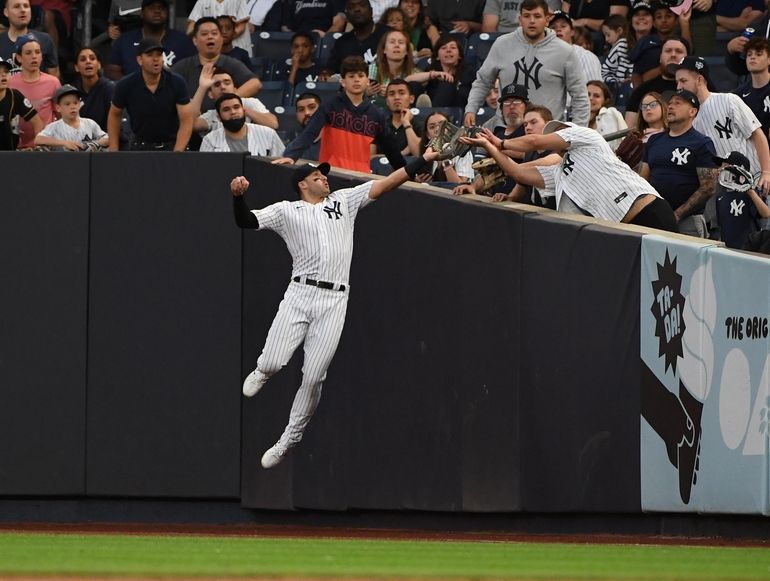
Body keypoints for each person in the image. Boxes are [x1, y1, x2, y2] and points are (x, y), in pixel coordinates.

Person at [233, 149, 440, 468]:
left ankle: (289, 437)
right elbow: (247, 221)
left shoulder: (344, 201)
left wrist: (423, 158)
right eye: (317, 175)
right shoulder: (287, 211)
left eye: (324, 174)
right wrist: (237, 197)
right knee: (274, 362)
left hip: (334, 300)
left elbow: (387, 184)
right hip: (300, 293)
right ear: (302, 183)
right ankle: (263, 371)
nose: (324, 177)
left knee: (314, 376)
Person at [460, 120, 678, 231]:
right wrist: (490, 146)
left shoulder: (587, 137)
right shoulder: (559, 173)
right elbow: (516, 171)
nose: (557, 134)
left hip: (649, 212)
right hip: (625, 229)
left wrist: (501, 143)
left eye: (560, 129)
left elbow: (535, 142)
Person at [464, 0, 589, 129]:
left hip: (546, 134)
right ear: (520, 19)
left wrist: (578, 132)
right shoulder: (502, 45)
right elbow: (483, 81)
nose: (532, 21)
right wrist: (471, 109)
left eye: (537, 16)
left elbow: (580, 95)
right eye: (527, 16)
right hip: (506, 130)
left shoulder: (565, 51)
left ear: (547, 19)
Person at [274, 56, 405, 172]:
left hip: (361, 178)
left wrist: (408, 173)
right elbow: (309, 133)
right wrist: (290, 156)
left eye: (360, 76)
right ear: (343, 81)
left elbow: (391, 149)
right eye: (351, 76)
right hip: (331, 174)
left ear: (368, 81)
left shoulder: (377, 114)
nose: (357, 80)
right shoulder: (330, 106)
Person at [673, 55, 770, 195]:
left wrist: (767, 172)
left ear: (699, 80)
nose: (678, 87)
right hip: (723, 193)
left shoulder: (728, 100)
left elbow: (757, 134)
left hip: (755, 182)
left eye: (683, 81)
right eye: (677, 82)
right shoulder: (689, 119)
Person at [639, 89, 719, 237]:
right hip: (654, 218)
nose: (670, 106)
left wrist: (677, 214)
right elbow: (643, 179)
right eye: (669, 103)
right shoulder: (654, 141)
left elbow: (708, 187)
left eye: (678, 103)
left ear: (692, 112)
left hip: (687, 222)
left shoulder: (702, 143)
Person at [108, 38, 193, 151]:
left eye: (159, 55)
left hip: (171, 146)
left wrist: (177, 152)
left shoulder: (177, 82)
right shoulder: (126, 84)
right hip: (140, 147)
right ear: (139, 60)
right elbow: (114, 114)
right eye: (150, 55)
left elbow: (186, 119)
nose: (155, 59)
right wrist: (113, 149)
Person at [172, 17, 262, 110]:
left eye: (214, 33)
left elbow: (255, 83)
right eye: (204, 34)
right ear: (195, 40)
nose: (210, 37)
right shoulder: (183, 66)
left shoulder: (231, 63)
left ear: (221, 39)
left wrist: (228, 101)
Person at [106, 0, 196, 80]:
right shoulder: (125, 40)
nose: (157, 11)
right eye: (152, 7)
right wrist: (131, 87)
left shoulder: (183, 41)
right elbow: (112, 70)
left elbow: (194, 71)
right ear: (142, 13)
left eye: (161, 8)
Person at [625, 36, 689, 129]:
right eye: (668, 51)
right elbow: (629, 129)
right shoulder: (643, 90)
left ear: (687, 58)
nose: (673, 55)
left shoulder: (697, 86)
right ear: (660, 57)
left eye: (679, 51)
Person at [8, 34, 59, 148]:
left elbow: (61, 115)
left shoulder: (53, 82)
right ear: (19, 58)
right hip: (17, 148)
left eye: (37, 52)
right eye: (28, 53)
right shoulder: (10, 84)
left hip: (45, 147)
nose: (34, 56)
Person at [192, 66, 277, 134]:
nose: (223, 87)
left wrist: (244, 110)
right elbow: (191, 126)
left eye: (227, 82)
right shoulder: (212, 115)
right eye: (217, 84)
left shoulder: (250, 103)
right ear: (210, 94)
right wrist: (202, 87)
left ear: (235, 89)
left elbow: (273, 124)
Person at [713, 151, 770, 249]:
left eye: (725, 167)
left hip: (749, 249)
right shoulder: (720, 196)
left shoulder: (750, 194)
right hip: (728, 248)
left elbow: (766, 213)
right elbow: (721, 226)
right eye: (721, 167)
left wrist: (750, 191)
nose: (720, 170)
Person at [629, 4, 691, 88]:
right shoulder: (645, 41)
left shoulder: (679, 41)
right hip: (648, 89)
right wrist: (639, 94)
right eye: (659, 17)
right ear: (654, 23)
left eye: (668, 16)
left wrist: (684, 23)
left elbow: (688, 51)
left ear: (676, 21)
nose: (664, 20)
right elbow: (636, 73)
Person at [200, 92, 284, 154]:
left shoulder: (268, 134)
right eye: (226, 109)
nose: (233, 112)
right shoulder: (209, 140)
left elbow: (283, 164)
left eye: (236, 107)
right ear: (219, 117)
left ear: (244, 110)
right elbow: (205, 171)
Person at [34, 85, 109, 150]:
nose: (72, 107)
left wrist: (95, 144)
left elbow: (108, 138)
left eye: (75, 103)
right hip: (63, 163)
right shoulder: (54, 126)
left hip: (87, 163)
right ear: (58, 108)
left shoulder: (89, 123)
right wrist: (64, 143)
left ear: (80, 104)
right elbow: (38, 139)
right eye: (67, 104)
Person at [322, 0, 386, 76]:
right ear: (347, 16)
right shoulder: (342, 42)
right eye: (351, 7)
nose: (357, 9)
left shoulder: (387, 35)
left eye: (362, 5)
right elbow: (331, 70)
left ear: (371, 11)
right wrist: (326, 74)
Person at [414, 110, 474, 185]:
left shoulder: (463, 151)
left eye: (442, 125)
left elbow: (461, 185)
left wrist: (445, 160)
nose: (437, 130)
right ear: (427, 135)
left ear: (450, 129)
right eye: (432, 127)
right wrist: (417, 181)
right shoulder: (427, 153)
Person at [0, 0, 57, 77]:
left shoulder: (45, 39)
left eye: (26, 6)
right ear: (6, 12)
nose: (23, 10)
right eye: (17, 6)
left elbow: (54, 76)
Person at [0, 56, 43, 150]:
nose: (3, 75)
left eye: (6, 72)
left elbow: (37, 122)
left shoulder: (15, 96)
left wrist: (38, 146)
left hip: (11, 156)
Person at [549, 10, 602, 83]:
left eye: (563, 26)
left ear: (572, 32)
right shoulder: (542, 57)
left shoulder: (586, 57)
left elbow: (594, 90)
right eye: (553, 27)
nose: (558, 29)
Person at [186, 0, 252, 57]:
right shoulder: (202, 1)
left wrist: (218, 40)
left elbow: (241, 28)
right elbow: (191, 27)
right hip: (211, 53)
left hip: (238, 49)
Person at [423, 34, 474, 107]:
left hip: (462, 111)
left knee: (447, 85)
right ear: (437, 56)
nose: (448, 50)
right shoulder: (431, 71)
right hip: (435, 110)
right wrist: (432, 74)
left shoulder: (469, 72)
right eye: (444, 48)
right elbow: (408, 80)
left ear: (459, 55)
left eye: (453, 48)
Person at [72, 47, 115, 132]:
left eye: (92, 58)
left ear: (99, 65)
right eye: (83, 59)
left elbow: (115, 124)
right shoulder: (72, 91)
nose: (88, 62)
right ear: (76, 67)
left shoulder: (110, 88)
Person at [734, 37, 770, 140]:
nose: (752, 57)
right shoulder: (739, 95)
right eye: (749, 54)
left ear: (769, 60)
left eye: (758, 54)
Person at [381, 79, 420, 156]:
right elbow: (370, 158)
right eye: (392, 94)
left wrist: (406, 123)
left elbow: (418, 153)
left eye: (401, 93)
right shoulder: (380, 125)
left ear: (411, 99)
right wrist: (401, 154)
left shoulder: (421, 124)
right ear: (387, 101)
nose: (396, 97)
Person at [587, 80, 627, 150]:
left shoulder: (610, 113)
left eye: (596, 96)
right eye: (588, 94)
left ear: (605, 100)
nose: (590, 98)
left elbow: (622, 141)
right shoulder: (576, 118)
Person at [601, 14, 633, 93]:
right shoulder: (623, 44)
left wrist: (622, 81)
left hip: (616, 84)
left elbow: (624, 65)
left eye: (608, 35)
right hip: (613, 82)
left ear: (619, 31)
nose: (606, 39)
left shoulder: (621, 44)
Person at [294, 91, 321, 159]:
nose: (306, 113)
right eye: (301, 110)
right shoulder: (293, 147)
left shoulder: (338, 140)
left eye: (312, 107)